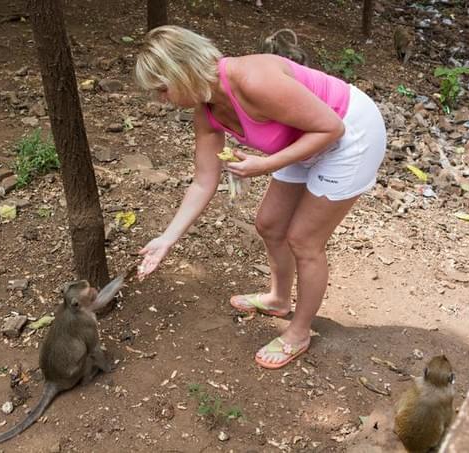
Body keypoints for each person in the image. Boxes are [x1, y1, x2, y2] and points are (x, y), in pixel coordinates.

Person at [134, 25, 386, 369]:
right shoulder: (205, 112)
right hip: (304, 139)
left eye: (162, 89)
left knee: (304, 239)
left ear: (182, 71)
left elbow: (331, 128)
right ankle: (279, 299)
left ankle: (299, 332)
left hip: (348, 132)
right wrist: (167, 239)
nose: (160, 100)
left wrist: (265, 164)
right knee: (269, 223)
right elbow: (203, 181)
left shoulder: (252, 78)